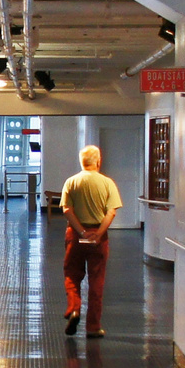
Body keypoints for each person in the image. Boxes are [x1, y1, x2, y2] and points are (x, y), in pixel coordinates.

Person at [61, 144, 124, 338]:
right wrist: (97, 233)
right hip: (99, 236)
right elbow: (111, 211)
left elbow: (66, 210)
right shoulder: (107, 183)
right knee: (97, 280)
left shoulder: (71, 182)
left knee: (72, 274)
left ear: (81, 162)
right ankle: (93, 327)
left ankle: (74, 308)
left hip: (75, 235)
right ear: (98, 161)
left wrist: (81, 231)